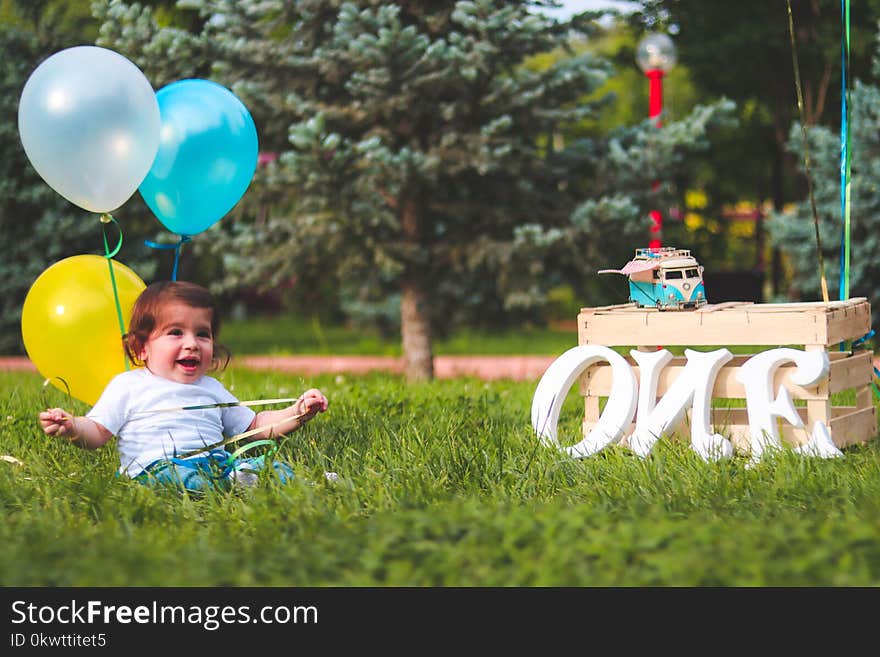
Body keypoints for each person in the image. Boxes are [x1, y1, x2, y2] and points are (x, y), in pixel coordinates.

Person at [38, 280, 329, 492]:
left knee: (267, 464)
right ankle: (230, 487)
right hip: (156, 468)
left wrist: (298, 411)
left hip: (217, 462)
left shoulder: (211, 387)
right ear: (141, 348)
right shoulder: (128, 385)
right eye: (175, 332)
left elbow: (255, 425)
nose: (192, 343)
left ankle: (310, 483)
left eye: (202, 334)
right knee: (180, 479)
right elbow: (97, 432)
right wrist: (73, 427)